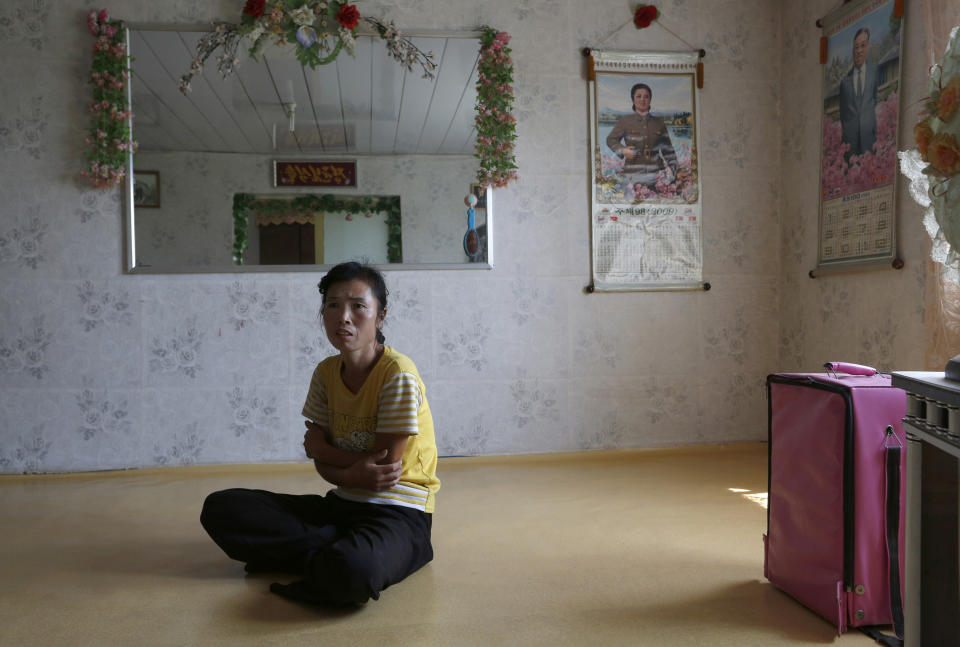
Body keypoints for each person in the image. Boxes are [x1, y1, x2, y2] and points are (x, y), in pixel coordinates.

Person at [200, 262, 440, 606]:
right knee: (221, 508)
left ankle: (336, 557)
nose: (344, 316)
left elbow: (383, 471)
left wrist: (326, 452)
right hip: (342, 507)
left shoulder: (397, 373)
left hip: (398, 514)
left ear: (380, 316)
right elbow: (323, 465)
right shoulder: (326, 372)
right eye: (333, 305)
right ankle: (332, 553)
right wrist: (342, 466)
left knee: (354, 570)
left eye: (358, 306)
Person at [605, 82, 678, 190]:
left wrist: (677, 171)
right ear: (633, 100)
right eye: (638, 96)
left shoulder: (659, 123)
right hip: (632, 174)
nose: (642, 100)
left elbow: (668, 151)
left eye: (646, 97)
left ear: (650, 100)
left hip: (656, 175)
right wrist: (623, 150)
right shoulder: (625, 121)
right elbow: (610, 139)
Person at [838, 27, 879, 161]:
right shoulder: (845, 82)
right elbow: (843, 113)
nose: (859, 51)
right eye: (856, 47)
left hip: (869, 139)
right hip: (850, 145)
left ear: (867, 47)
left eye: (863, 46)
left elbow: (875, 99)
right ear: (852, 50)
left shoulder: (874, 71)